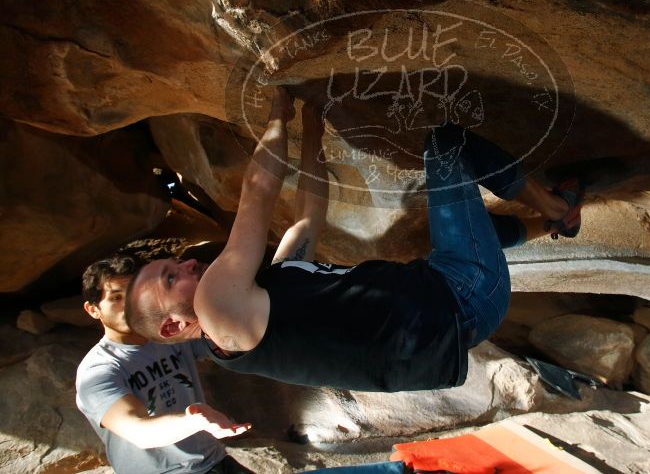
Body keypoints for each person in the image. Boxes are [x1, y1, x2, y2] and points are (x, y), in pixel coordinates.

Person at [124, 87, 583, 392]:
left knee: (463, 232)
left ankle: (556, 227)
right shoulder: (219, 312)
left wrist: (312, 123)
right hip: (461, 294)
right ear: (171, 327)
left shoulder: (263, 301)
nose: (187, 265)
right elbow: (258, 193)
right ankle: (557, 207)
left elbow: (308, 215)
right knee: (447, 146)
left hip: (458, 298)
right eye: (170, 278)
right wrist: (277, 110)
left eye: (176, 264)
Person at [76, 255, 254, 474]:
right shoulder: (98, 370)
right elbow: (138, 429)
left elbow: (228, 345)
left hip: (214, 461)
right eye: (115, 298)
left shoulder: (170, 335)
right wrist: (196, 422)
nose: (127, 306)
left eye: (132, 294)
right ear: (93, 310)